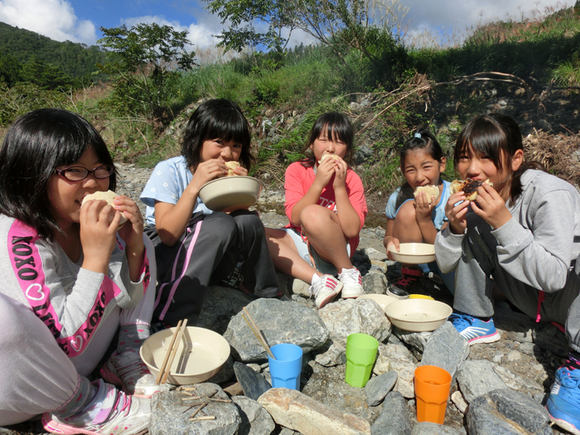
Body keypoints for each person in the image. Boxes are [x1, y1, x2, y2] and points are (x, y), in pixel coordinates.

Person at [0, 108, 156, 434]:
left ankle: (128, 353)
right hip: (31, 384)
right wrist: (96, 258)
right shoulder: (19, 237)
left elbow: (131, 298)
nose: (92, 182)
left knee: (140, 241)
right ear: (31, 173)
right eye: (73, 170)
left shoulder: (85, 222)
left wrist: (135, 247)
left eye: (100, 168)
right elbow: (66, 344)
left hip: (85, 355)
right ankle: (81, 407)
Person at [435, 113, 580, 434]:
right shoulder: (473, 197)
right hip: (524, 299)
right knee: (474, 221)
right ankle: (475, 317)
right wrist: (454, 228)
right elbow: (444, 263)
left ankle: (576, 370)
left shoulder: (549, 195)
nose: (472, 169)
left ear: (516, 160)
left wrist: (504, 224)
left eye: (486, 157)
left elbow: (556, 276)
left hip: (569, 302)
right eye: (464, 158)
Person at [140, 98, 279, 327]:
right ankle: (168, 315)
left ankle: (262, 292)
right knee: (221, 223)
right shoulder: (170, 170)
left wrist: (241, 188)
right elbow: (167, 233)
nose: (228, 154)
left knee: (248, 221)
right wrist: (195, 185)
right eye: (219, 142)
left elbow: (237, 221)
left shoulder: (224, 175)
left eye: (236, 146)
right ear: (198, 139)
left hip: (206, 251)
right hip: (167, 252)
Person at [266, 112, 367, 309]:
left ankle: (347, 271)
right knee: (256, 233)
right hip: (301, 241)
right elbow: (295, 218)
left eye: (339, 142)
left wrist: (339, 187)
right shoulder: (296, 170)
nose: (330, 148)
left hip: (336, 250)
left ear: (347, 149)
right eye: (324, 140)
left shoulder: (351, 179)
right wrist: (319, 181)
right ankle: (319, 280)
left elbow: (352, 230)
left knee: (312, 214)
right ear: (312, 144)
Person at [383, 129, 454, 299]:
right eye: (411, 170)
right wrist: (390, 244)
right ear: (402, 170)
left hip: (448, 264)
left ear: (442, 164)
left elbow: (444, 249)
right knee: (409, 208)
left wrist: (424, 219)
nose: (419, 177)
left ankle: (441, 281)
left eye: (427, 167)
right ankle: (411, 274)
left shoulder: (453, 197)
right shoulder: (397, 198)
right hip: (413, 262)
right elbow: (388, 236)